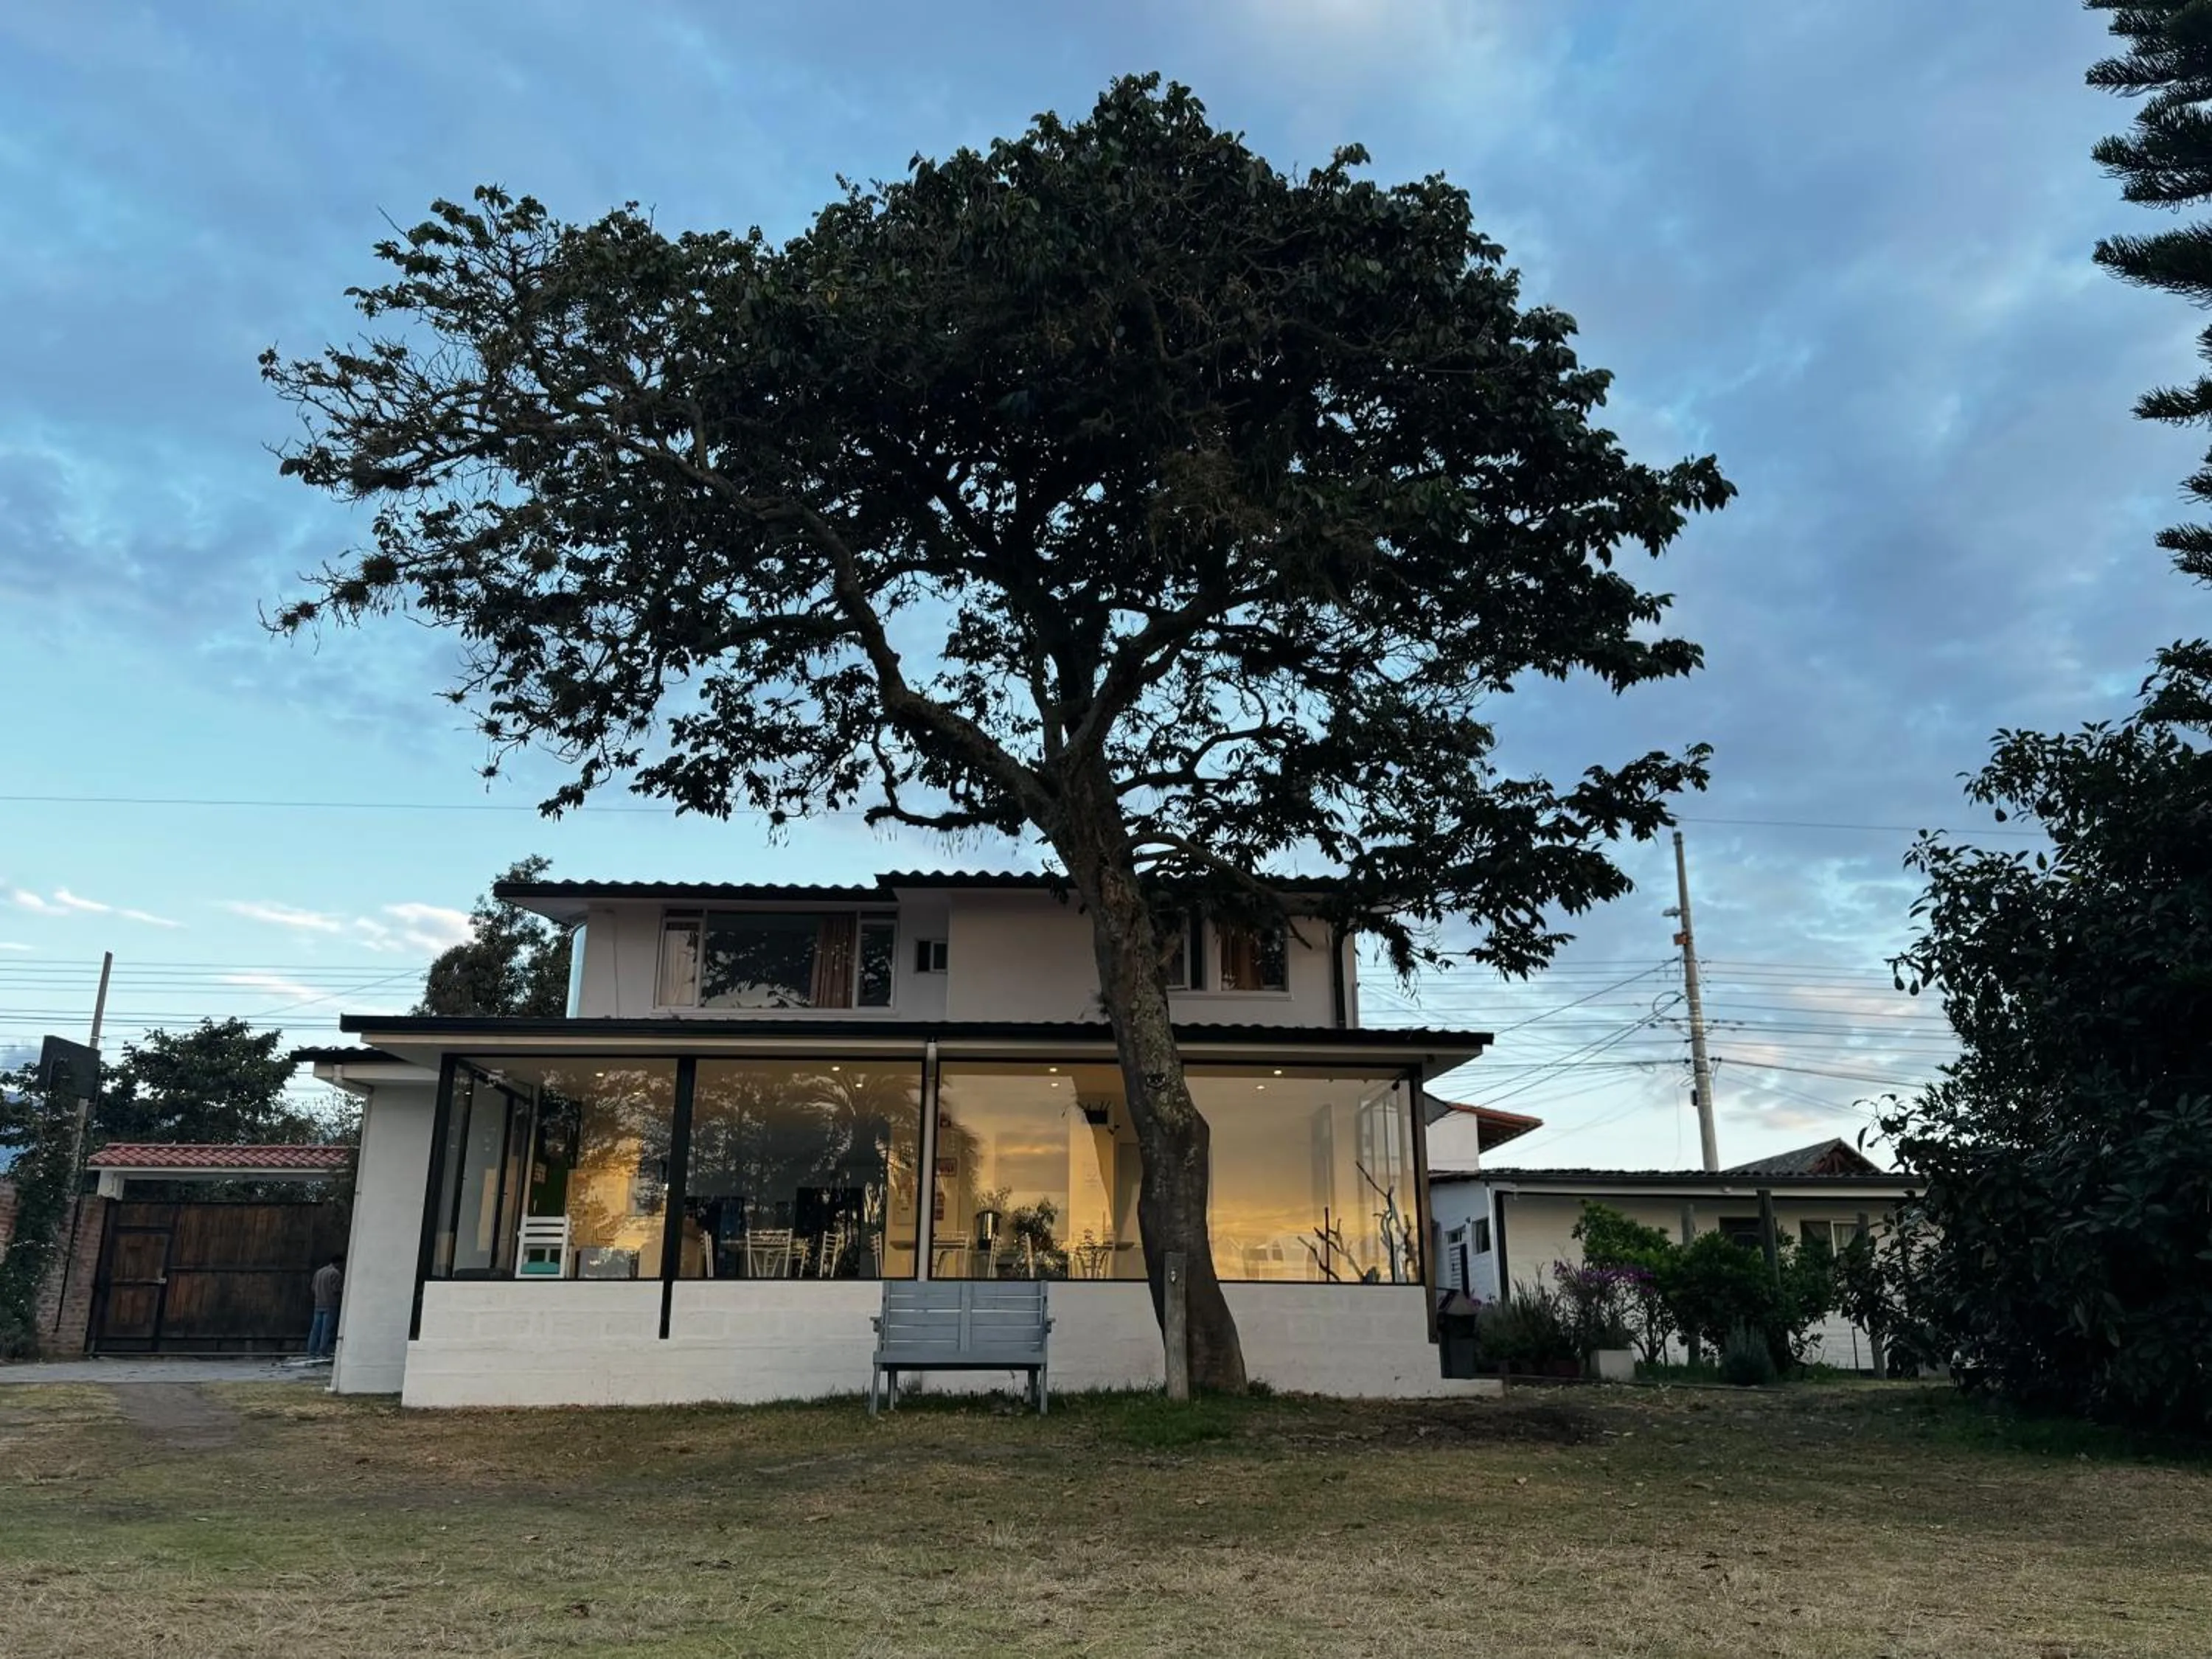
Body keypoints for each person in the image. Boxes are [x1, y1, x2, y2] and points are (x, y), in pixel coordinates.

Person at [307, 1253, 344, 1361]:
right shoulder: (336, 1274)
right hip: (330, 1304)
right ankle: (323, 1351)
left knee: (315, 1329)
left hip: (318, 1304)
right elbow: (336, 1289)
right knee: (326, 1330)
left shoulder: (319, 1272)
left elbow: (313, 1288)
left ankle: (311, 1351)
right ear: (339, 1263)